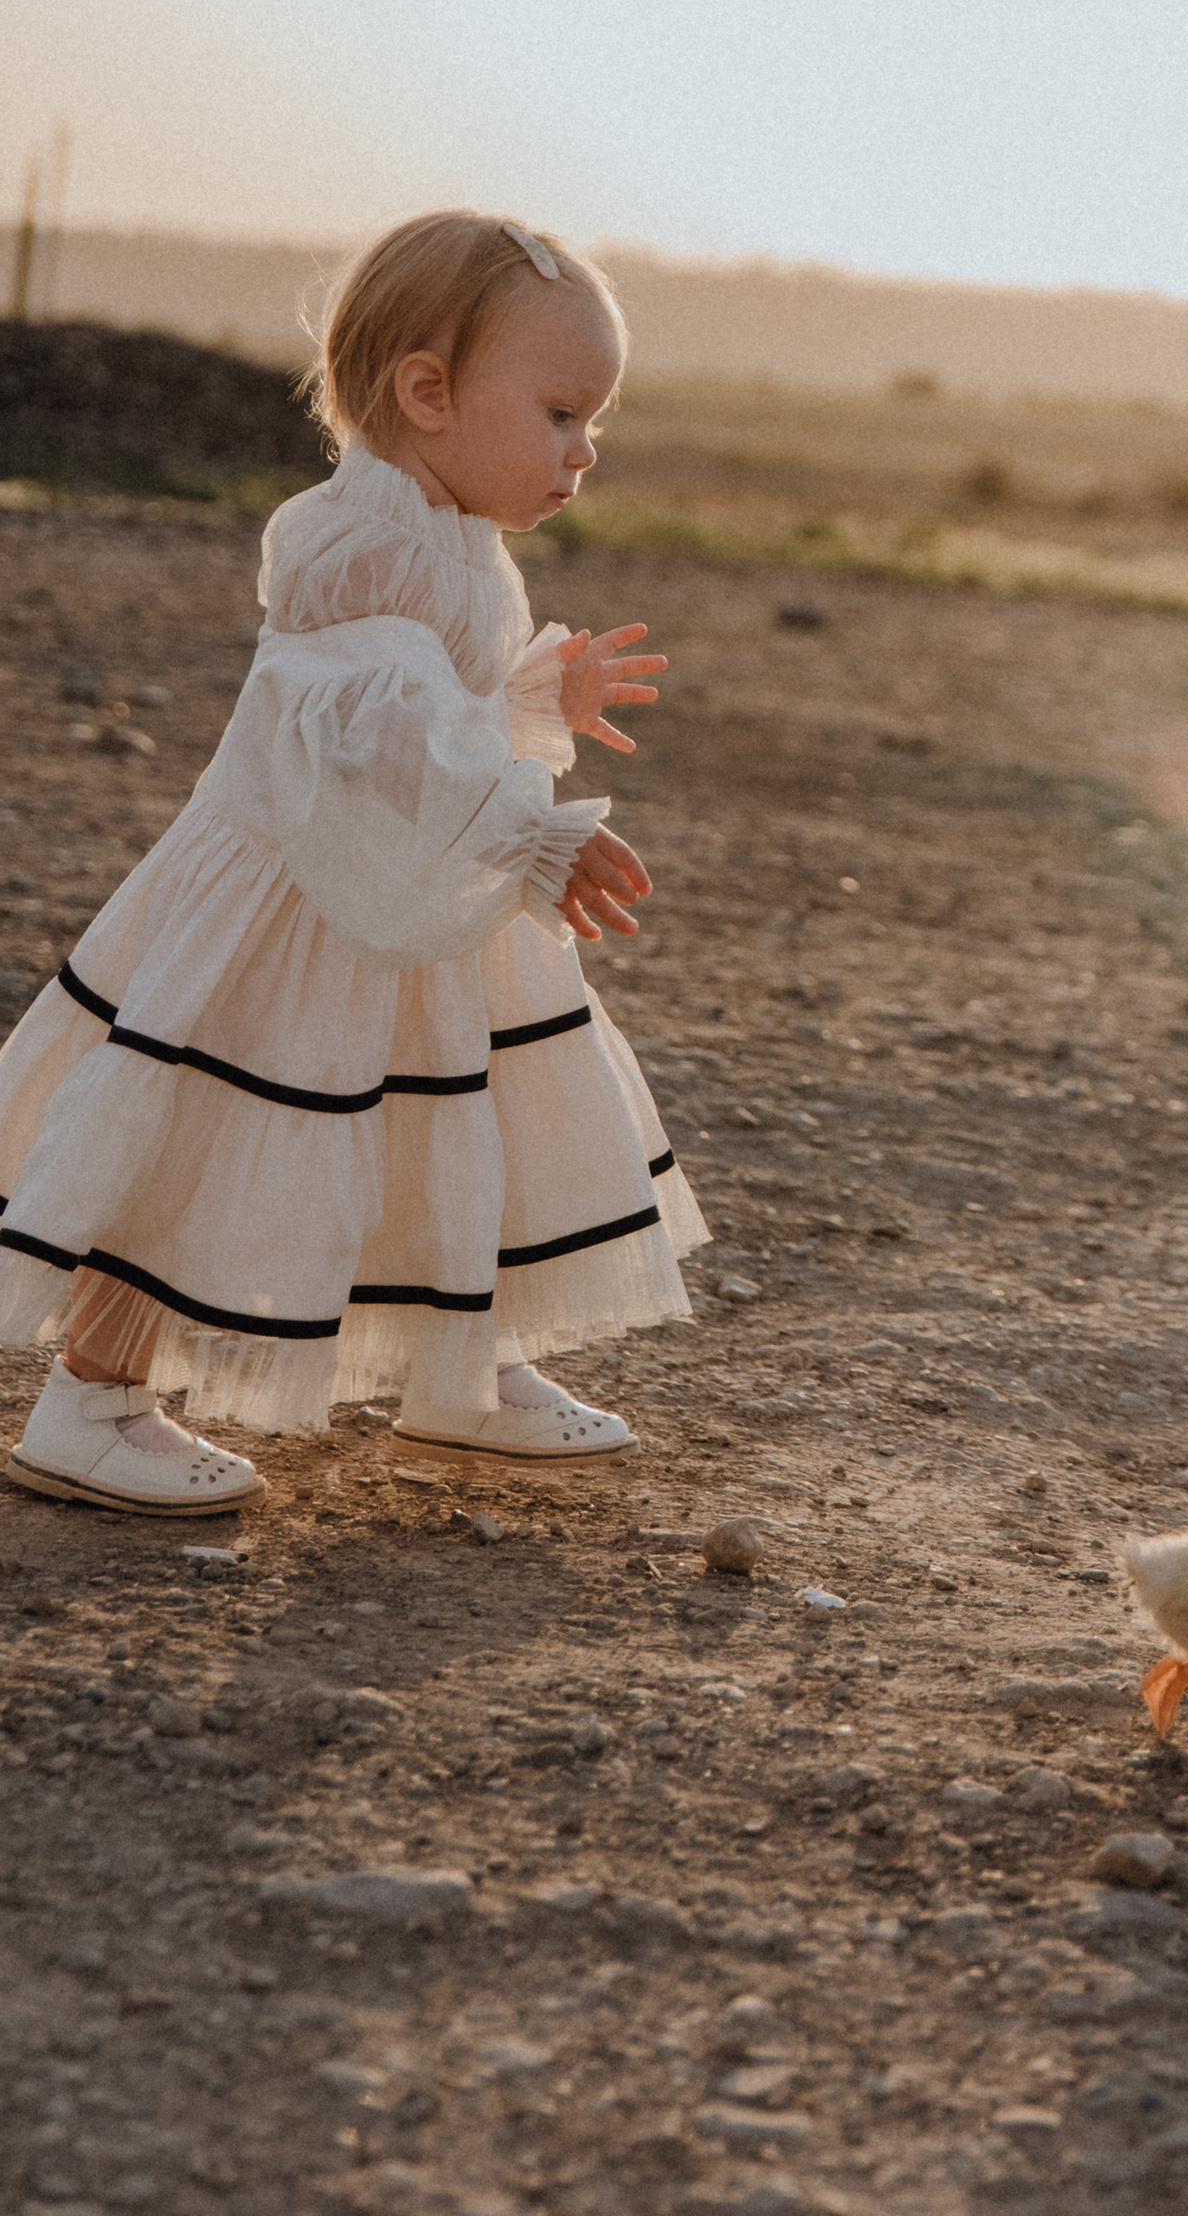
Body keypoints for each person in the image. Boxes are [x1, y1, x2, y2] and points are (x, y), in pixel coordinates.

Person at [0, 211, 706, 1510]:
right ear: (427, 395)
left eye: (592, 420)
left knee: (455, 1117)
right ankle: (90, 1399)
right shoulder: (362, 548)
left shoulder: (450, 536)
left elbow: (435, 721)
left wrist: (529, 698)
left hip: (400, 905)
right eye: (559, 413)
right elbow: (373, 743)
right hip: (285, 919)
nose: (584, 449)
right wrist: (534, 829)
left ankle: (460, 1367)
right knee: (206, 1126)